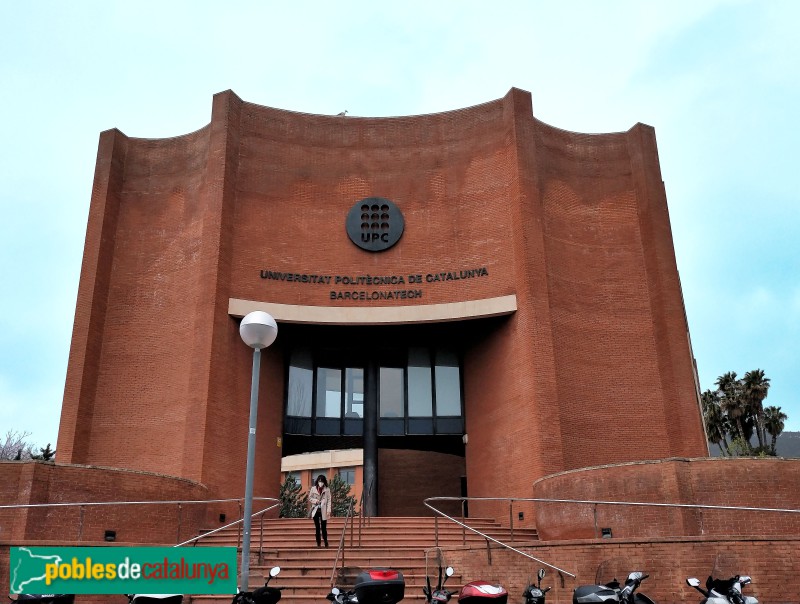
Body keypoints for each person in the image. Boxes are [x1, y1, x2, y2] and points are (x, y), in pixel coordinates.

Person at [308, 474, 331, 547]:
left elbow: (329, 500)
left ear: (324, 482)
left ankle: (326, 542)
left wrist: (328, 510)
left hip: (323, 511)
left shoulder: (327, 489)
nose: (320, 483)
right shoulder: (313, 488)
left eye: (322, 481)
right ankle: (318, 543)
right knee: (317, 528)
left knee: (324, 528)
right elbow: (310, 498)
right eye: (319, 481)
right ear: (317, 481)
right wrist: (315, 501)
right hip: (315, 510)